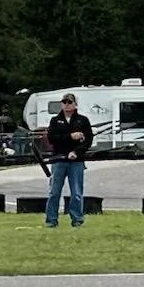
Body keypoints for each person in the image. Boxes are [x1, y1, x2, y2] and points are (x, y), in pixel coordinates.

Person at [45, 92, 93, 228]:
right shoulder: (55, 120)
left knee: (76, 192)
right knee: (54, 191)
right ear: (61, 104)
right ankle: (51, 220)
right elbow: (52, 138)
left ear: (75, 104)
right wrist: (70, 137)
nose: (67, 104)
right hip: (59, 159)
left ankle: (77, 219)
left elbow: (88, 140)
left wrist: (76, 152)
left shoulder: (83, 120)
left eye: (70, 102)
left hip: (76, 161)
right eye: (64, 102)